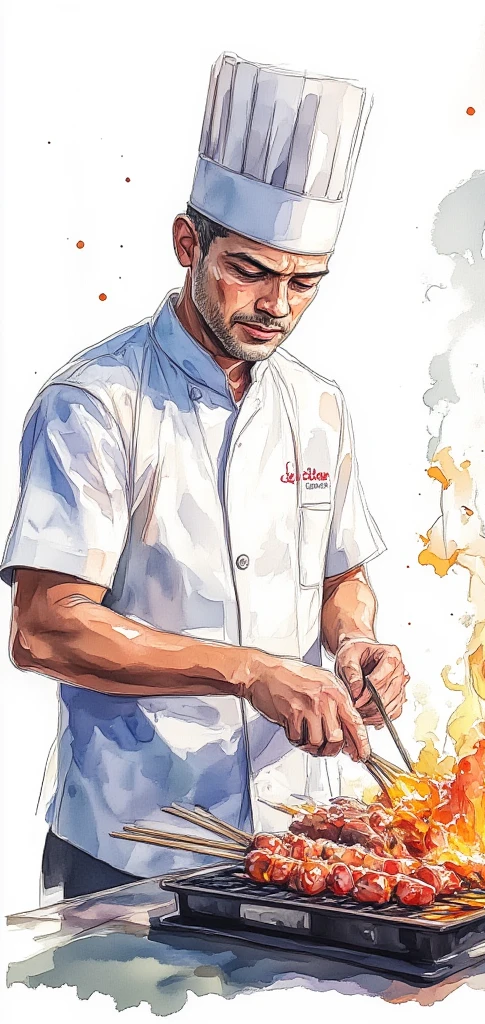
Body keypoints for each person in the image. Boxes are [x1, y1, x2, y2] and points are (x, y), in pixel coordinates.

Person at [2, 52, 408, 900]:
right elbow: (44, 627)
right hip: (135, 844)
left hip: (302, 840)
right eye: (250, 271)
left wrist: (355, 643)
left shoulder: (320, 405)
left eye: (305, 284)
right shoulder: (95, 403)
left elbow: (341, 579)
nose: (278, 306)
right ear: (189, 243)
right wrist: (247, 669)